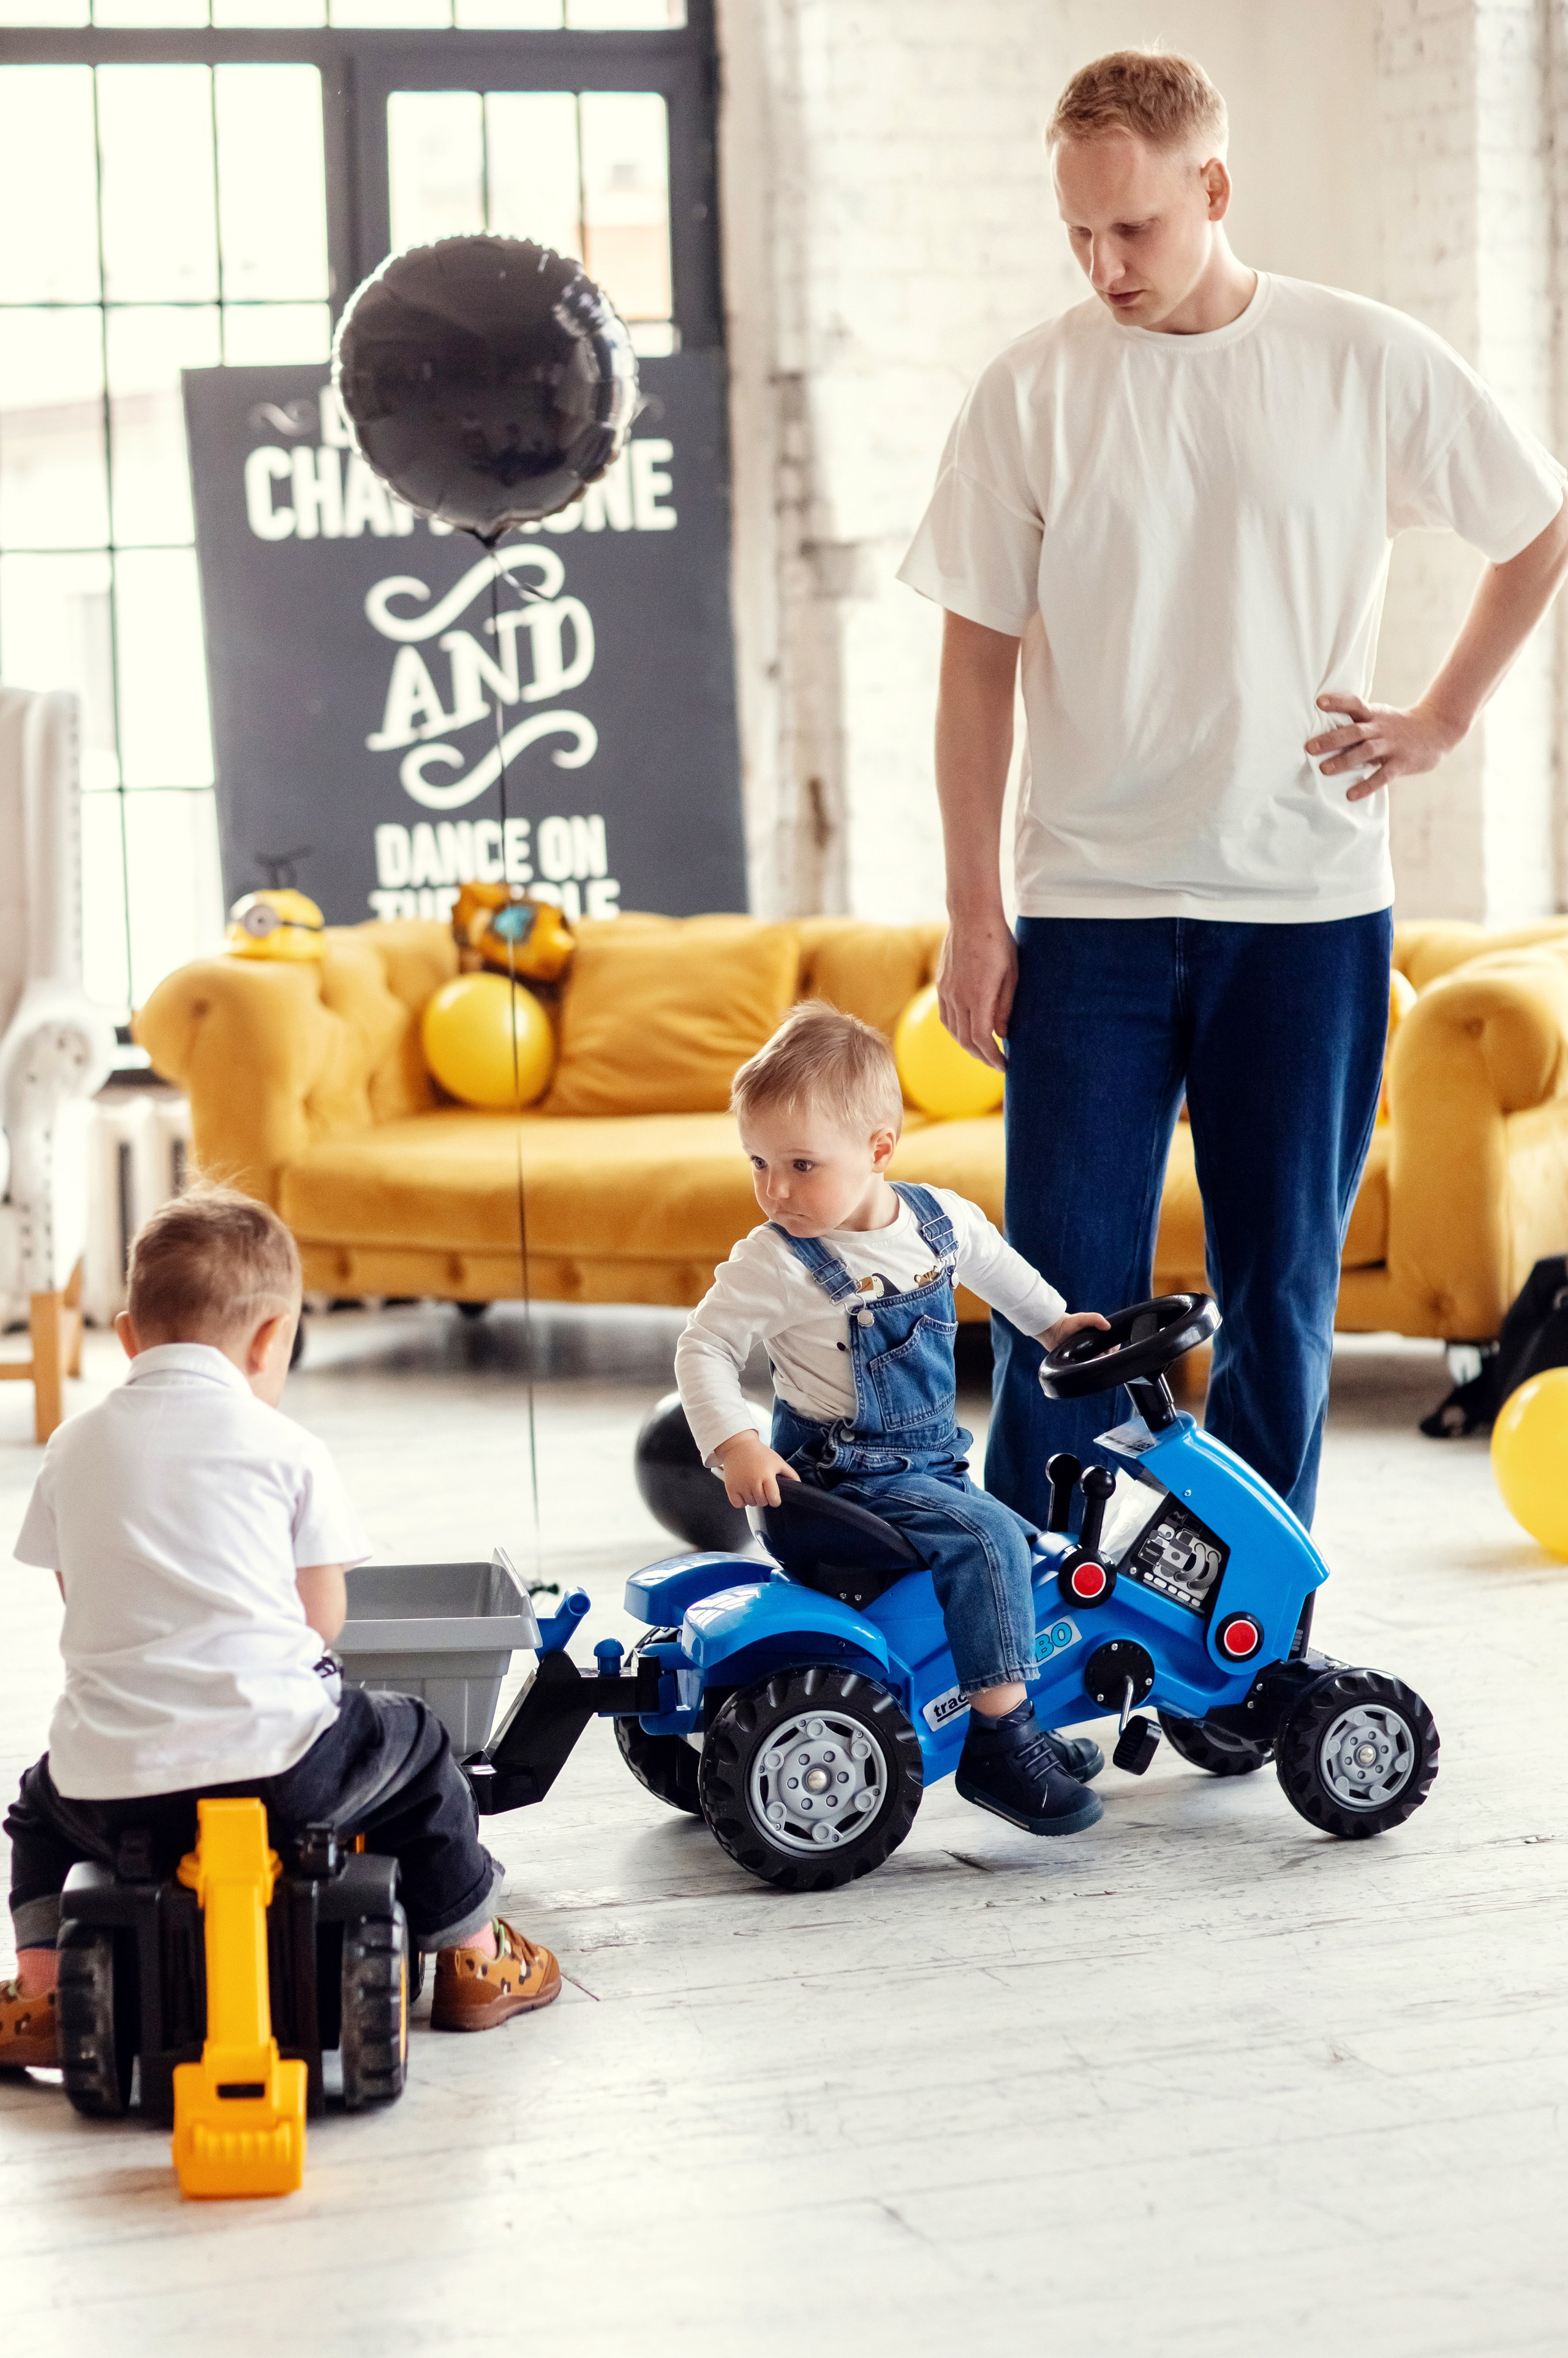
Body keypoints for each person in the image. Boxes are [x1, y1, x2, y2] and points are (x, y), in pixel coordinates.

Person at [897, 47, 1568, 1530]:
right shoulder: (1028, 391)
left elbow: (1534, 525)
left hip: (1307, 905)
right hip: (1086, 913)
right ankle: (1028, 1652)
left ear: (1211, 186)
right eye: (1075, 232)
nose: (1102, 263)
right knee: (1057, 1302)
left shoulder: (1361, 357)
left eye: (1130, 227)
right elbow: (970, 674)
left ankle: (1242, 1643)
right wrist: (970, 912)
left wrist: (1441, 717)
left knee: (1279, 1294)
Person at [1, 1187, 557, 2069]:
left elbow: (80, 1595)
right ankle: (475, 1957)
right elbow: (320, 1618)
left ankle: (39, 1991)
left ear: (128, 1336)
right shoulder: (286, 1447)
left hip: (111, 1788)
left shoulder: (71, 1447)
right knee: (420, 1750)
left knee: (35, 1809)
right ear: (271, 1340)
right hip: (281, 1773)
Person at [675, 1002, 1111, 1837]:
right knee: (990, 1541)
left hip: (925, 1468)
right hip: (833, 1483)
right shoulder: (778, 1259)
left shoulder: (938, 1223)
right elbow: (702, 1350)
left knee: (1025, 1548)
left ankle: (1030, 1717)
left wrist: (1056, 1324)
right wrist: (734, 1441)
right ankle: (1001, 1742)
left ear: (878, 1150)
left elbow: (1002, 1269)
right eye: (759, 1162)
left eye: (802, 1164)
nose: (775, 1189)